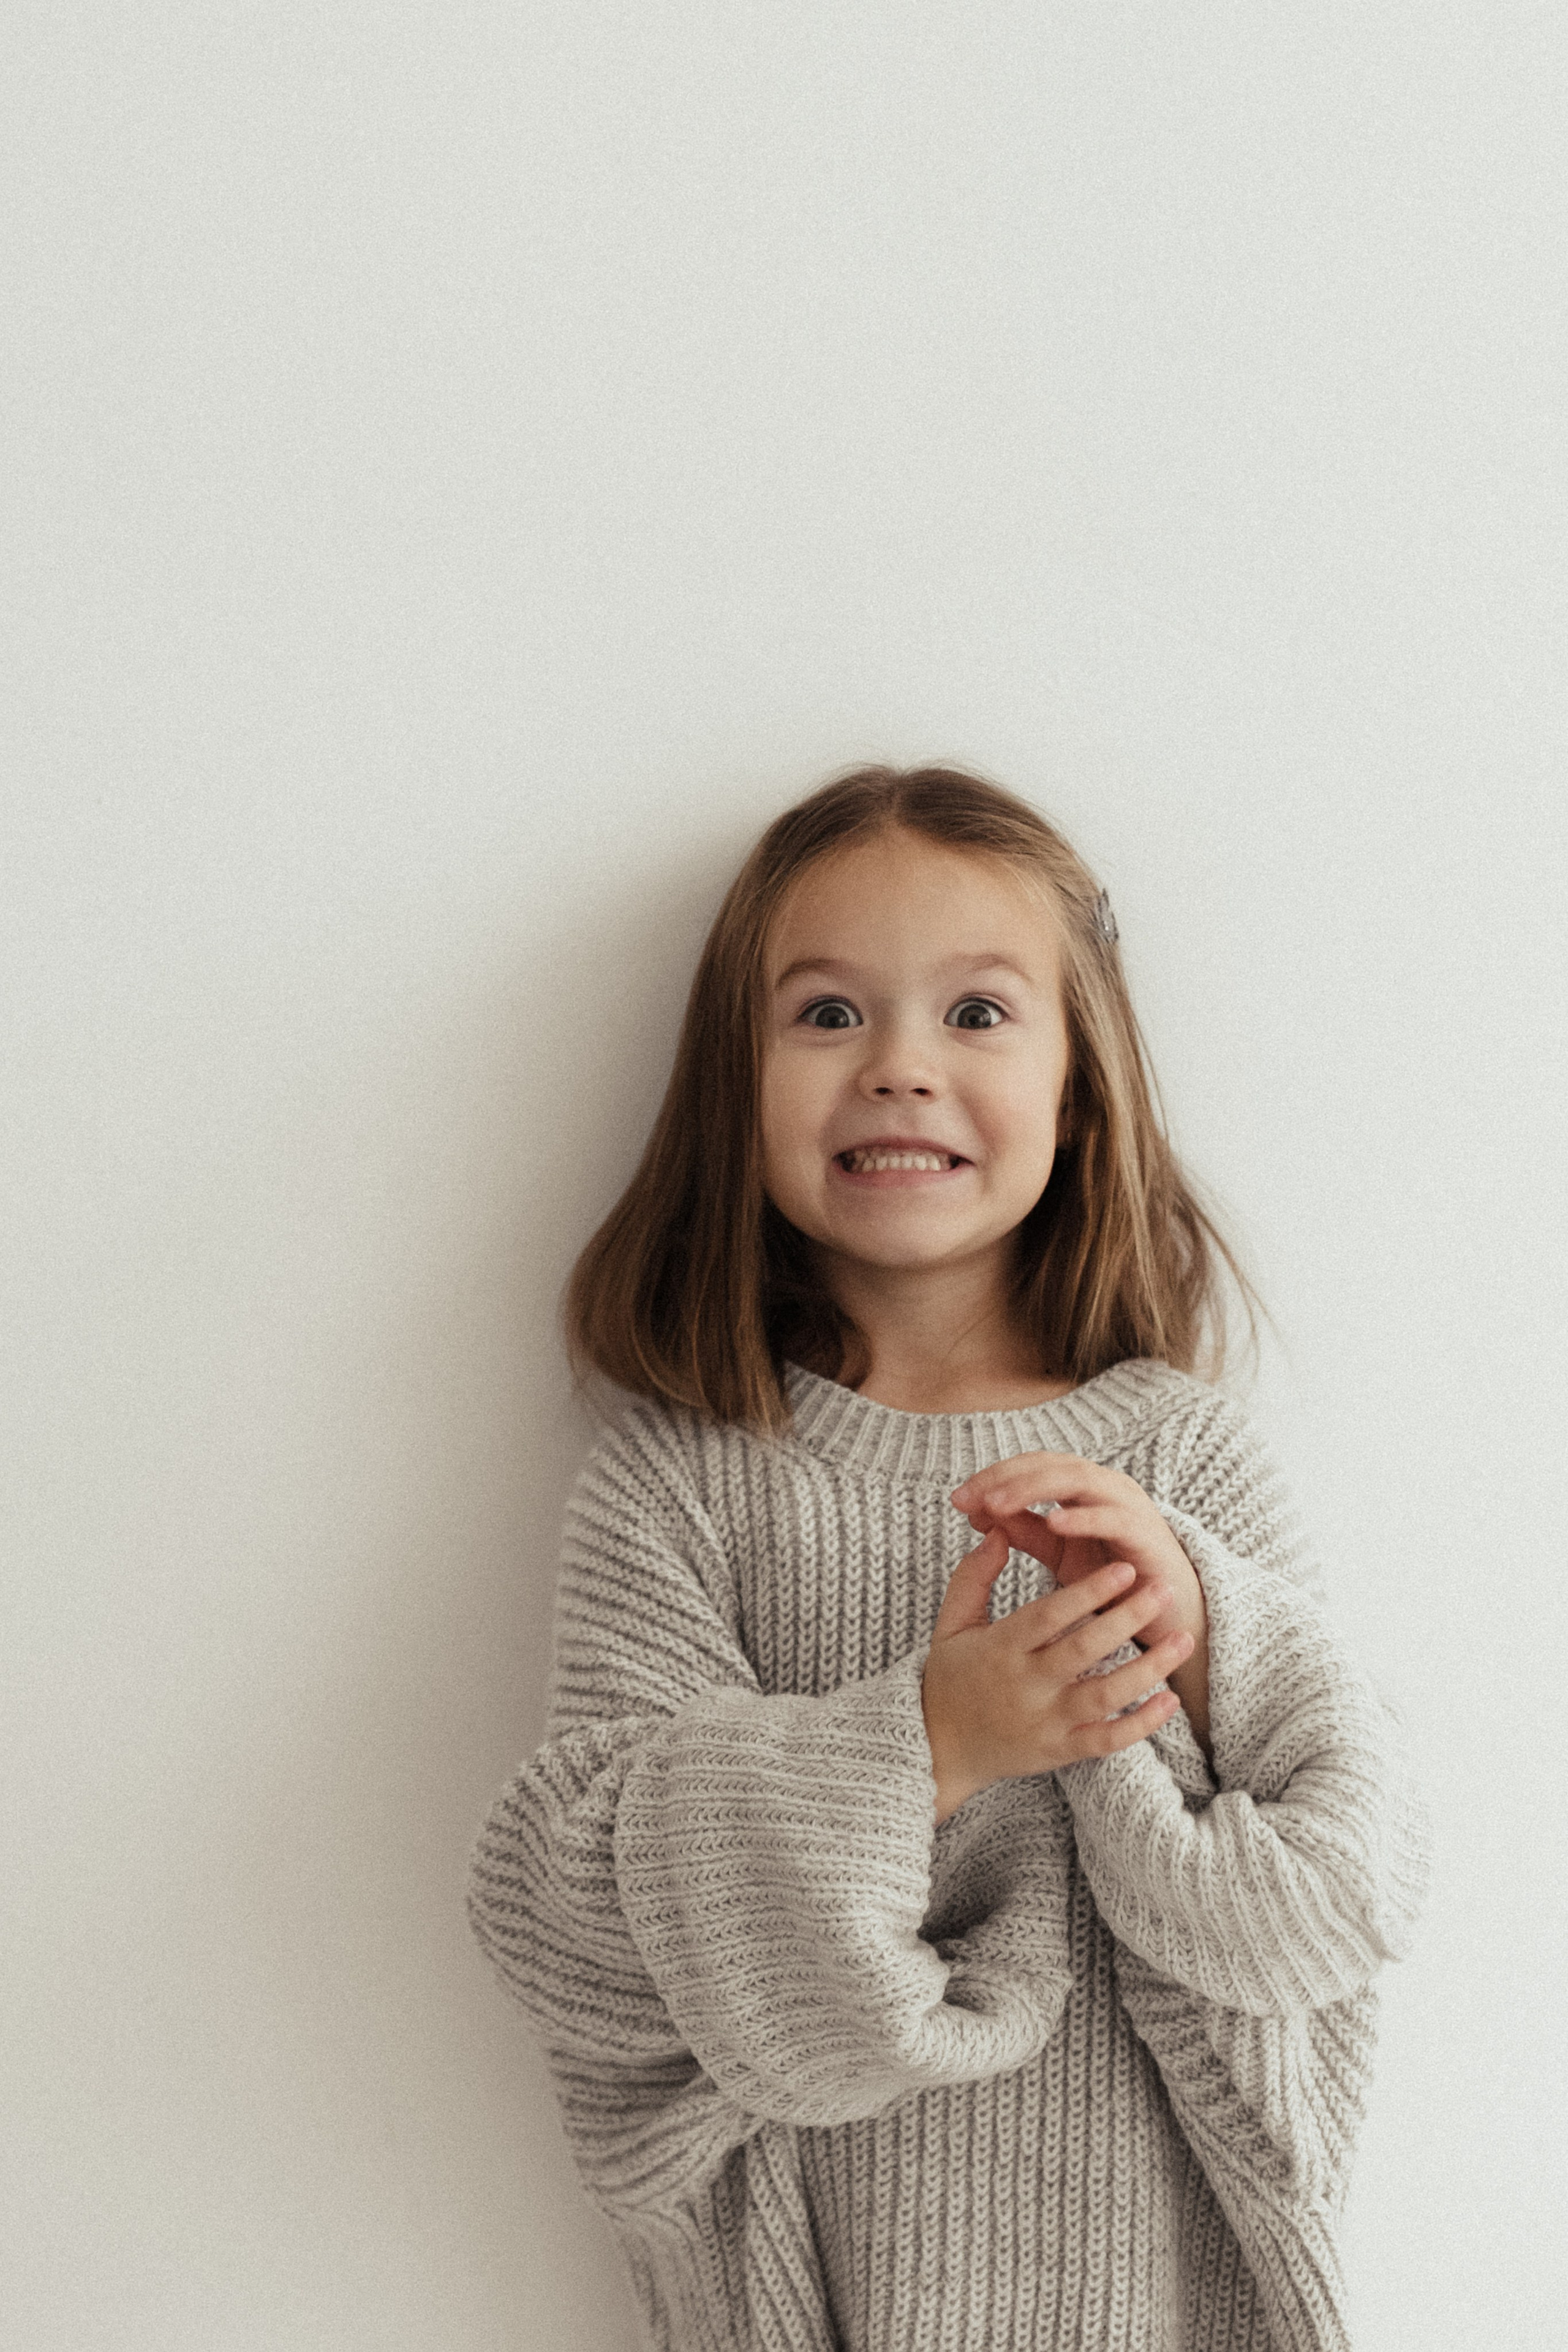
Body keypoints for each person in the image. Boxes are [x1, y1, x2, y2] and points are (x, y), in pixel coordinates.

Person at [467, 763, 1431, 2352]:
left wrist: (1198, 1638)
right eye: (828, 1014)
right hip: (821, 2302)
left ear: (1079, 1089)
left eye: (977, 1013)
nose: (900, 1068)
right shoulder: (686, 1482)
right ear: (734, 1091)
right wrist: (927, 1741)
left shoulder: (1183, 1464)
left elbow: (1341, 1890)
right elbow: (568, 1917)